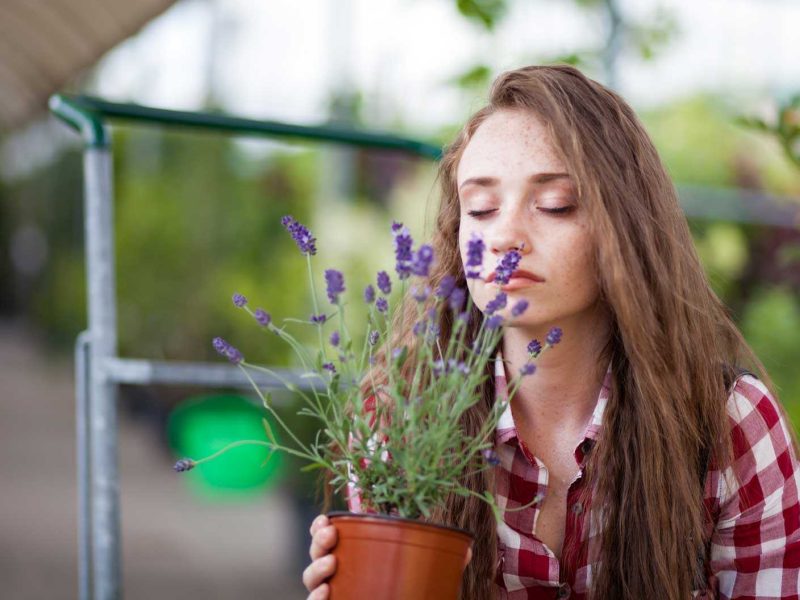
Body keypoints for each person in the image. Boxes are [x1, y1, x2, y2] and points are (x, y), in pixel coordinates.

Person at [301, 65, 800, 599]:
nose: (505, 237)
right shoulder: (398, 413)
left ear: (625, 226)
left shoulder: (731, 424)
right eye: (482, 208)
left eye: (555, 204)